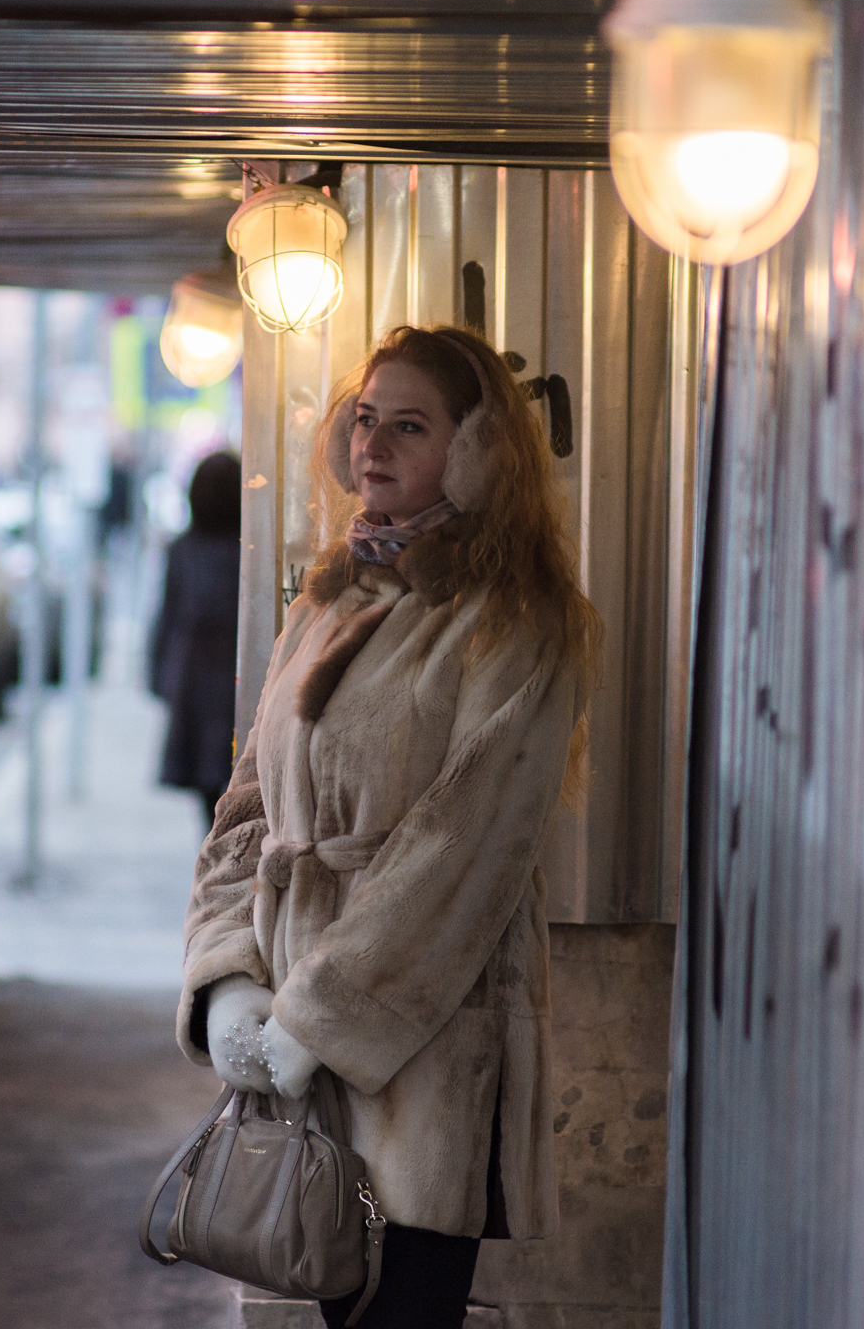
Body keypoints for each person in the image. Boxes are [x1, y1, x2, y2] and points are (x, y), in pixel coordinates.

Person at [177, 326, 601, 1329]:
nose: (374, 445)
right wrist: (233, 975)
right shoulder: (330, 597)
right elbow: (248, 806)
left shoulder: (521, 619)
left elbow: (465, 848)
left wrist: (315, 1018)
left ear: (472, 450)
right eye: (365, 419)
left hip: (428, 1053)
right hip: (295, 1031)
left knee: (402, 1312)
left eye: (408, 426)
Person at [151, 450, 242, 828]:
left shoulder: (183, 550)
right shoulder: (250, 550)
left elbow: (166, 618)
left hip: (194, 679)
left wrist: (159, 678)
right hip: (240, 678)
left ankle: (215, 862)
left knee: (209, 795)